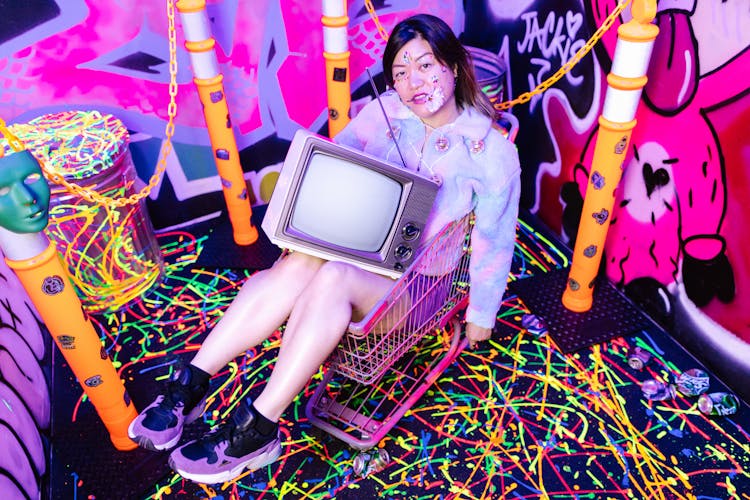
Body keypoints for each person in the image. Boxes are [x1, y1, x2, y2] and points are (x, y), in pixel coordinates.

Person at [128, 13, 521, 484]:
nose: (413, 81)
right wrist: (303, 229)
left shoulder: (492, 151)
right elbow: (336, 166)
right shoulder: (382, 114)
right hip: (357, 250)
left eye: (425, 64)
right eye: (399, 71)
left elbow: (494, 236)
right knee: (301, 264)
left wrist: (481, 312)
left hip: (418, 284)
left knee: (332, 276)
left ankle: (259, 426)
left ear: (453, 66)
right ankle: (188, 385)